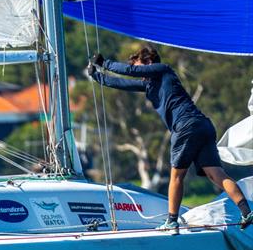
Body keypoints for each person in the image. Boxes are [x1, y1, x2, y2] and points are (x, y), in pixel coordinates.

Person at [88, 46, 253, 232]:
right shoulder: (149, 84)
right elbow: (122, 83)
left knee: (176, 176)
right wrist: (97, 75)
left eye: (138, 65)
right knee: (216, 174)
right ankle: (246, 211)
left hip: (186, 126)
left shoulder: (163, 69)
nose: (138, 73)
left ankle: (172, 221)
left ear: (149, 62)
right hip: (204, 126)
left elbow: (130, 71)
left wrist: (104, 63)